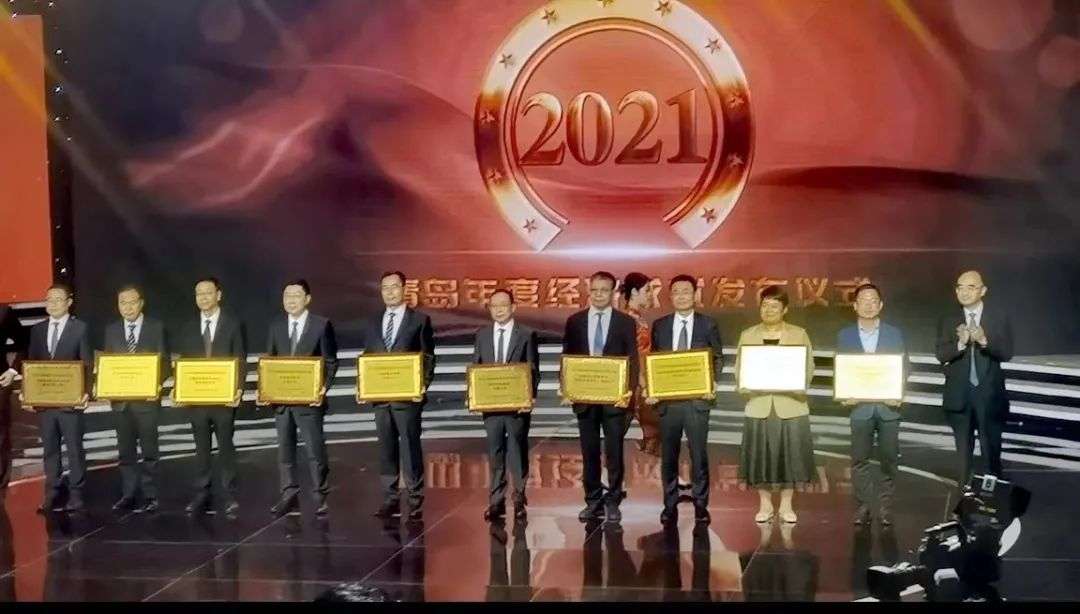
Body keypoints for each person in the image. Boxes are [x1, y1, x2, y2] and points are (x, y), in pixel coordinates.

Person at [561, 271, 639, 524]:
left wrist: (628, 391)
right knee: (589, 452)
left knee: (614, 452)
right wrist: (566, 387)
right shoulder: (575, 321)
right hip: (585, 399)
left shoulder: (625, 322)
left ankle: (613, 501)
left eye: (604, 290)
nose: (598, 295)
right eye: (594, 290)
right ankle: (593, 501)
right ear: (589, 291)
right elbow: (567, 357)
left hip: (614, 399)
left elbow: (632, 359)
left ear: (613, 292)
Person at [735, 285, 816, 524]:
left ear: (785, 309)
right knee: (760, 456)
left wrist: (796, 384)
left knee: (790, 456)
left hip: (790, 404)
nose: (769, 310)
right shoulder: (748, 335)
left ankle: (787, 504)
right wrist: (746, 385)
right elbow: (740, 368)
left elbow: (808, 367)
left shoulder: (799, 334)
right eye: (765, 305)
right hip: (759, 404)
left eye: (775, 306)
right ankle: (765, 503)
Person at [649, 274, 724, 525]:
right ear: (670, 296)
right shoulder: (660, 325)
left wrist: (712, 383)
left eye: (686, 291)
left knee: (698, 455)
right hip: (668, 402)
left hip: (697, 401)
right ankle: (669, 504)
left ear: (695, 295)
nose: (681, 296)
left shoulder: (708, 324)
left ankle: (701, 505)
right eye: (676, 292)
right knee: (668, 455)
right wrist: (654, 388)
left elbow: (717, 358)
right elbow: (655, 360)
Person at [361, 271, 435, 521]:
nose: (389, 292)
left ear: (404, 289)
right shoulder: (373, 322)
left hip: (407, 397)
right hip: (381, 397)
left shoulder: (420, 321)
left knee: (410, 446)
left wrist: (422, 385)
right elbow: (368, 357)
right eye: (385, 288)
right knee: (386, 447)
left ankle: (414, 498)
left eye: (394, 287)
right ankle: (390, 496)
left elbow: (428, 357)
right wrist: (363, 386)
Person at [263, 279, 338, 517]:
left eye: (296, 295)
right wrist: (266, 389)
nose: (291, 300)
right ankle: (289, 495)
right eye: (287, 295)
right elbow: (270, 362)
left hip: (310, 401)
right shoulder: (276, 326)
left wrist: (322, 388)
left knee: (315, 451)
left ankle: (320, 496)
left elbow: (330, 361)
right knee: (285, 452)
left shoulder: (321, 325)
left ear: (307, 299)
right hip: (282, 403)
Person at [934, 270, 1013, 486]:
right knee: (962, 455)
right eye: (960, 287)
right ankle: (964, 494)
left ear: (983, 290)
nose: (964, 292)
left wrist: (984, 340)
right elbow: (941, 354)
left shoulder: (998, 317)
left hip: (990, 396)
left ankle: (992, 496)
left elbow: (1006, 353)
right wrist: (960, 344)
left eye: (971, 287)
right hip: (959, 396)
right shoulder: (948, 319)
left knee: (991, 452)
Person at [836, 282, 905, 526]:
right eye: (863, 301)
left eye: (873, 300)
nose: (868, 305)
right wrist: (845, 393)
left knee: (889, 459)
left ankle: (886, 507)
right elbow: (842, 368)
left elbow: (903, 366)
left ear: (881, 305)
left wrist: (898, 391)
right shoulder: (845, 335)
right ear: (855, 306)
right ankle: (863, 506)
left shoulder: (894, 334)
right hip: (860, 408)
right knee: (859, 460)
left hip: (888, 407)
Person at [177, 277, 246, 516]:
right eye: (199, 293)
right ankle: (202, 493)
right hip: (197, 399)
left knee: (225, 446)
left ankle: (230, 495)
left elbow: (240, 359)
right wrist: (180, 388)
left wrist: (238, 389)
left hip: (224, 399)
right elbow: (184, 363)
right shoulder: (188, 327)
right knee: (201, 448)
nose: (203, 297)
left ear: (218, 295)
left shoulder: (233, 324)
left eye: (208, 292)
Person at [22, 284, 92, 513]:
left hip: (70, 401)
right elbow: (32, 364)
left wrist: (86, 392)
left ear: (69, 302)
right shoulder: (38, 330)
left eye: (58, 300)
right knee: (50, 449)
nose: (53, 304)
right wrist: (28, 392)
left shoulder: (80, 328)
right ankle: (52, 491)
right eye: (49, 300)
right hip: (45, 403)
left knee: (74, 448)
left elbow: (87, 363)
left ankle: (76, 492)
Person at [471, 289, 539, 522]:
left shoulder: (526, 334)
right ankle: (496, 501)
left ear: (513, 307)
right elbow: (477, 366)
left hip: (517, 406)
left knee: (517, 452)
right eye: (494, 306)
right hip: (491, 406)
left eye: (503, 305)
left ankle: (519, 499)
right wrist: (473, 395)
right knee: (495, 452)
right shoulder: (482, 335)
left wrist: (530, 398)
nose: (499, 310)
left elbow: (533, 369)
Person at [102, 284, 170, 514]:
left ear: (141, 303)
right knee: (125, 453)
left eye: (132, 302)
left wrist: (155, 382)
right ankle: (128, 495)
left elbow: (165, 363)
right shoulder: (111, 330)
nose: (128, 307)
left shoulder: (156, 327)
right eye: (123, 303)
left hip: (147, 403)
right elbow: (109, 364)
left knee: (150, 452)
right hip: (121, 403)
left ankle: (152, 496)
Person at [619, 272, 661, 456]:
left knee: (654, 428)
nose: (651, 294)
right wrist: (642, 381)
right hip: (636, 381)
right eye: (647, 290)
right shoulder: (627, 319)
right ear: (635, 292)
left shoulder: (637, 318)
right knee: (653, 426)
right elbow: (632, 354)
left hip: (643, 378)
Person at [0, 304, 27, 500]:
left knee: (0, 435)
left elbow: (24, 341)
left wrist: (13, 370)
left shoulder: (3, 312)